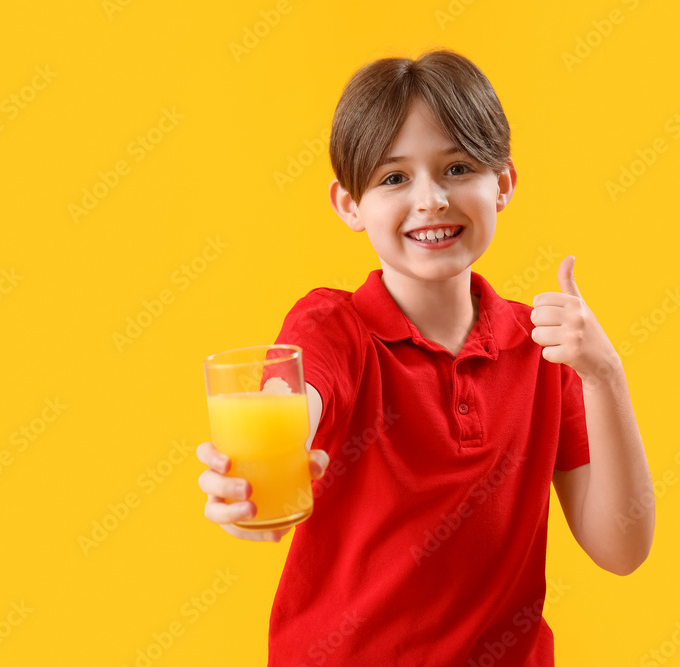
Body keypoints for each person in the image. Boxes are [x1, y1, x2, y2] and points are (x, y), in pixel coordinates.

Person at [197, 48, 654, 666]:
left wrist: (604, 374)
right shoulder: (335, 328)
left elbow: (621, 548)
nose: (431, 199)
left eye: (458, 167)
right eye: (393, 178)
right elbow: (294, 398)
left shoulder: (544, 349)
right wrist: (255, 482)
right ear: (349, 205)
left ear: (505, 183)